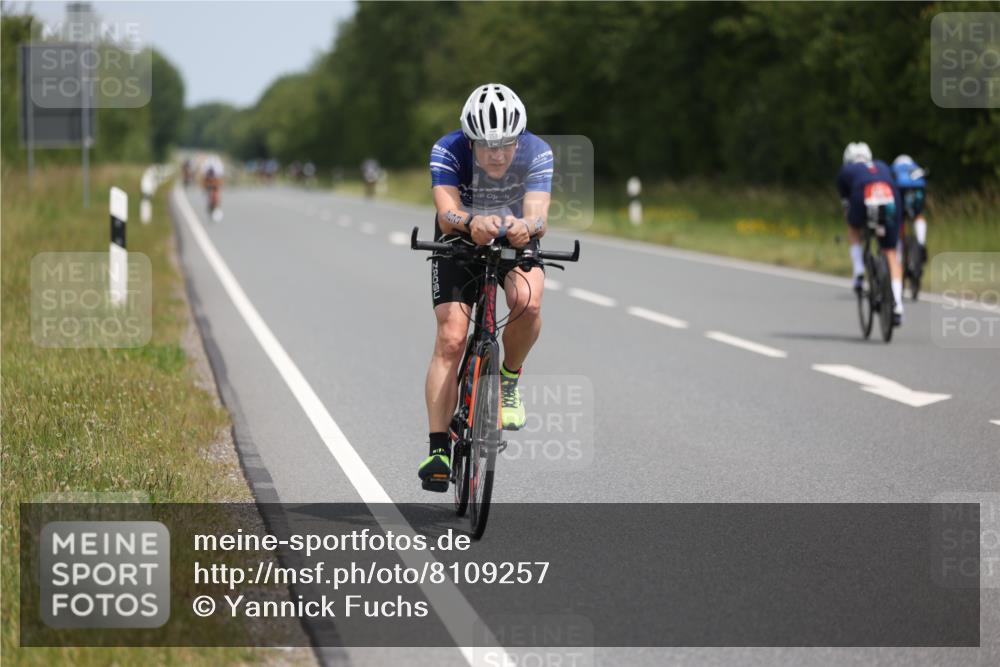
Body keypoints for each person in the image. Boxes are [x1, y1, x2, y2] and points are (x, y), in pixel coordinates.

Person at [418, 83, 554, 489]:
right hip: (461, 237)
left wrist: (523, 227)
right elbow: (446, 214)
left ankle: (508, 381)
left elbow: (538, 217)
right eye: (485, 145)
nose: (497, 153)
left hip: (514, 234)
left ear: (520, 137)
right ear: (469, 140)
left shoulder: (538, 151)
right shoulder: (448, 148)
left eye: (506, 143)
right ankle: (439, 447)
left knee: (528, 302)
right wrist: (467, 222)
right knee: (452, 338)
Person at [837, 142, 904, 325]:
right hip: (890, 197)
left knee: (853, 227)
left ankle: (858, 269)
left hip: (862, 196)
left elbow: (847, 205)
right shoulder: (882, 165)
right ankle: (898, 303)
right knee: (890, 252)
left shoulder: (846, 171)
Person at [891, 154, 928, 262]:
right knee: (918, 215)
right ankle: (921, 242)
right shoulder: (915, 167)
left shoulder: (894, 168)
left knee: (898, 219)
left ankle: (898, 255)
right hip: (916, 192)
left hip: (899, 193)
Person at [201, 154, 225, 222]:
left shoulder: (218, 169)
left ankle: (217, 206)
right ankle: (209, 205)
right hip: (207, 180)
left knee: (216, 194)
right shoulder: (205, 168)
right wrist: (204, 188)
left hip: (216, 181)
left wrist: (217, 189)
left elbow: (220, 181)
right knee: (208, 193)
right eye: (210, 173)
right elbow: (203, 180)